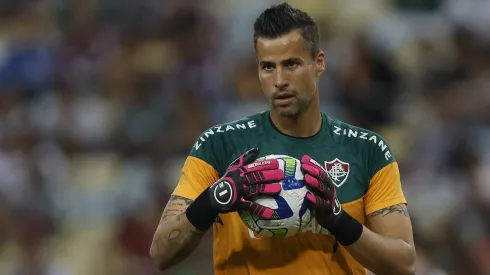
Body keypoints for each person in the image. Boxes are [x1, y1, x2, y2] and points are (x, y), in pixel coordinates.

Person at [149, 3, 416, 275]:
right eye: (268, 67)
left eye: (291, 64)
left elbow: (404, 264)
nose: (279, 80)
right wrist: (215, 198)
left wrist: (338, 220)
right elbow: (160, 253)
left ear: (319, 63)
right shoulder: (219, 144)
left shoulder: (366, 149)